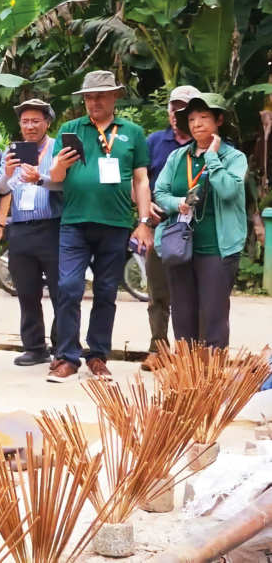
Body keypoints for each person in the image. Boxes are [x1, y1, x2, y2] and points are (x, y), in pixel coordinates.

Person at [48, 71, 153, 382]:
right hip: (75, 223)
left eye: (101, 95)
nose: (94, 101)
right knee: (68, 288)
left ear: (114, 97)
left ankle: (97, 357)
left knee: (107, 292)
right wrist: (60, 165)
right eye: (90, 96)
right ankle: (67, 357)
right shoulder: (71, 129)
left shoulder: (132, 132)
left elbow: (142, 180)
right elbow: (55, 178)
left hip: (116, 223)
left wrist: (143, 222)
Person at [154, 94, 246, 350]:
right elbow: (160, 192)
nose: (196, 123)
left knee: (214, 315)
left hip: (217, 247)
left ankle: (213, 380)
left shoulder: (234, 158)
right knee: (183, 316)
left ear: (218, 120)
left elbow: (228, 190)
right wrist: (177, 203)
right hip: (180, 245)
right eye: (191, 119)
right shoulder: (177, 157)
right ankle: (187, 378)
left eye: (204, 117)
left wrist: (212, 158)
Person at [0, 99, 62, 366]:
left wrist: (41, 178)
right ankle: (34, 347)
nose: (30, 126)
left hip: (53, 226)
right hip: (21, 228)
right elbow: (1, 189)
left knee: (62, 291)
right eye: (25, 121)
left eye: (36, 121)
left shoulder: (59, 148)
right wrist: (8, 172)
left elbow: (67, 185)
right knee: (26, 290)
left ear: (48, 122)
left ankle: (63, 346)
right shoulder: (12, 151)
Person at [141, 85, 201, 371]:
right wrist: (144, 212)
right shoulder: (154, 141)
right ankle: (158, 348)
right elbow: (137, 180)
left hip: (199, 229)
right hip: (161, 227)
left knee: (194, 293)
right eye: (174, 107)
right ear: (168, 111)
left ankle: (191, 352)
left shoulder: (208, 144)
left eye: (185, 108)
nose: (179, 113)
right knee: (159, 293)